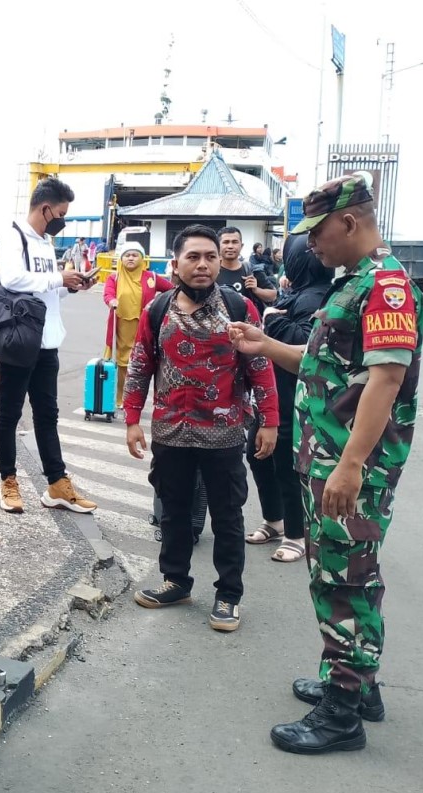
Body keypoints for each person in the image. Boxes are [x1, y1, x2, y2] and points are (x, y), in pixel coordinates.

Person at [229, 172, 423, 754]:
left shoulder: (385, 286)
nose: (310, 246)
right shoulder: (353, 283)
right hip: (327, 457)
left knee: (344, 578)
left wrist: (351, 465)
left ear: (348, 221)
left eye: (316, 233)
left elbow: (386, 379)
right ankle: (357, 685)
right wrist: (264, 347)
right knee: (343, 572)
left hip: (349, 465)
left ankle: (342, 713)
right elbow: (326, 368)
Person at [124, 224, 278, 633]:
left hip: (225, 433)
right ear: (175, 265)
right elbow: (140, 367)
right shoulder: (156, 310)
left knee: (227, 515)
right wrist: (132, 420)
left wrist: (270, 422)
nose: (203, 265)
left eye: (210, 257)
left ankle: (228, 595)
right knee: (173, 511)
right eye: (193, 257)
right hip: (171, 431)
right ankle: (176, 581)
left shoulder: (240, 308)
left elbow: (260, 367)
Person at [0, 177, 98, 514]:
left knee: (47, 415)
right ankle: (8, 481)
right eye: (62, 213)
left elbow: (46, 292)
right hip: (20, 343)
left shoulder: (44, 243)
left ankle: (57, 484)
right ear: (46, 208)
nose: (63, 219)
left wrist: (73, 286)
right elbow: (11, 279)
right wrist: (58, 277)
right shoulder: (14, 237)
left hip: (48, 343)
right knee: (10, 413)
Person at [245, 233, 333, 563]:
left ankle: (297, 534)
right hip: (273, 393)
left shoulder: (314, 297)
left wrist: (273, 320)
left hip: (293, 396)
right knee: (258, 454)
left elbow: (306, 344)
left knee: (285, 465)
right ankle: (274, 520)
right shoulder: (300, 292)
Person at [103, 242, 172, 406]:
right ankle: (122, 399)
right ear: (121, 259)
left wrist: (159, 305)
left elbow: (171, 290)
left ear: (142, 258)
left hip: (145, 326)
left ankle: (140, 398)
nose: (131, 258)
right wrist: (112, 301)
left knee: (145, 361)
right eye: (127, 255)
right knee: (123, 362)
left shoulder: (151, 277)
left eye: (135, 255)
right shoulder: (115, 277)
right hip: (122, 326)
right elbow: (108, 293)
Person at [217, 227, 277, 312]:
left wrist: (256, 290)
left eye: (235, 242)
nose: (230, 246)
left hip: (247, 323)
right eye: (226, 242)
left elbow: (273, 295)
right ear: (218, 246)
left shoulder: (251, 271)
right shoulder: (210, 272)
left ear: (241, 246)